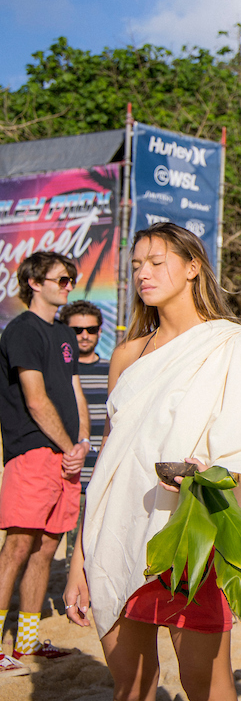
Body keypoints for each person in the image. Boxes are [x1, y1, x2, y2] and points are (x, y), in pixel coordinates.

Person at [63, 222, 241, 701]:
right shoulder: (128, 354)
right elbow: (109, 467)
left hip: (190, 536)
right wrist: (80, 559)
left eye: (157, 262)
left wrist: (207, 474)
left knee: (207, 684)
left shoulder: (237, 345)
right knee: (130, 685)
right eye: (136, 265)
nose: (143, 274)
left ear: (193, 267)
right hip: (117, 532)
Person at [0, 252, 89, 669]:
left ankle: (27, 642)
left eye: (72, 279)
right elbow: (36, 401)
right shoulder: (21, 331)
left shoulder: (64, 334)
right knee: (18, 546)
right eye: (61, 278)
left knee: (46, 549)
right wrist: (68, 444)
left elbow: (74, 391)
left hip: (66, 455)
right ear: (34, 282)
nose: (68, 285)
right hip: (33, 451)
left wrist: (83, 442)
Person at [60, 300, 109, 489]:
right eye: (77, 330)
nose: (85, 336)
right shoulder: (56, 373)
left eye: (91, 329)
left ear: (100, 332)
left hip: (102, 479)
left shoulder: (114, 371)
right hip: (65, 476)